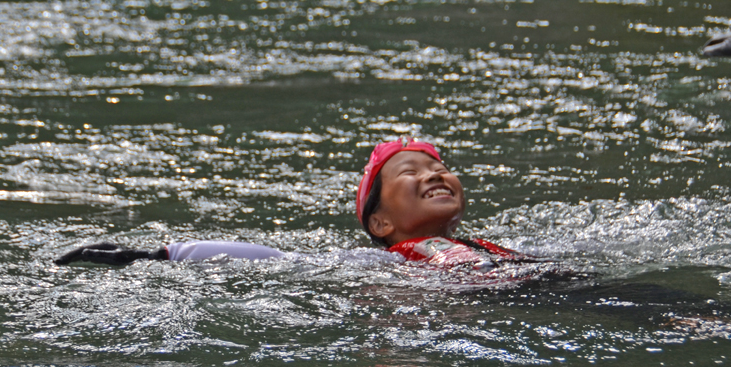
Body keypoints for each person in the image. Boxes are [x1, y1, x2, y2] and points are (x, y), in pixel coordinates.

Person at [55, 139, 538, 270]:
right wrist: (153, 255)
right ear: (380, 221)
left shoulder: (487, 247)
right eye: (409, 172)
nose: (432, 173)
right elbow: (277, 259)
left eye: (437, 167)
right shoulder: (386, 264)